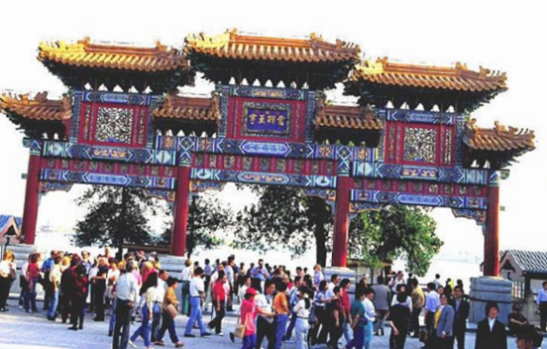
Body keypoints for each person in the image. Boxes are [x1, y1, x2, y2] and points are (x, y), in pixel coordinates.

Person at [112, 261, 139, 349]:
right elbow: (136, 291)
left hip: (120, 301)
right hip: (128, 302)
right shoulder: (133, 279)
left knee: (118, 325)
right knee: (126, 325)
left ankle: (115, 346)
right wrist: (135, 303)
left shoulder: (121, 277)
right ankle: (123, 346)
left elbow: (117, 290)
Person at [129, 272, 157, 349]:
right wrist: (151, 312)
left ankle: (132, 338)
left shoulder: (147, 288)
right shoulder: (152, 289)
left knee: (144, 325)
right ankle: (147, 344)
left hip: (145, 307)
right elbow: (150, 301)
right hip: (148, 307)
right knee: (147, 326)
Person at [155, 277, 184, 348]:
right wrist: (175, 302)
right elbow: (169, 298)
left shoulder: (170, 289)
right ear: (173, 284)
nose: (177, 285)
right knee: (171, 325)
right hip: (167, 309)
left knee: (164, 326)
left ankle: (158, 338)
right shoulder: (170, 290)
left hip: (165, 309)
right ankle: (176, 340)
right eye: (176, 283)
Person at [184, 267, 211, 338]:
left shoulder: (192, 279)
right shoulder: (199, 280)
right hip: (196, 298)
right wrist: (203, 297)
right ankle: (187, 331)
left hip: (193, 297)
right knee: (193, 316)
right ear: (201, 273)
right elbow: (201, 290)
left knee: (199, 316)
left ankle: (203, 331)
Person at [256, 279, 277, 349]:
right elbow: (258, 309)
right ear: (266, 288)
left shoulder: (271, 297)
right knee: (259, 339)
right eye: (271, 287)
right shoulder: (260, 297)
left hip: (270, 320)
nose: (273, 289)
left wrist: (273, 309)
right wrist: (268, 313)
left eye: (274, 287)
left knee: (273, 339)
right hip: (263, 319)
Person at [70, 264, 89, 330]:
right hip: (83, 295)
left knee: (75, 310)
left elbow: (74, 286)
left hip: (76, 295)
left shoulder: (76, 277)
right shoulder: (86, 278)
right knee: (81, 310)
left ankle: (75, 324)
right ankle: (81, 324)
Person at [208, 270, 227, 335]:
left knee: (219, 315)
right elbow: (217, 296)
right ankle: (212, 324)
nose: (225, 280)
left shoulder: (221, 284)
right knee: (221, 314)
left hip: (222, 300)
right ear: (221, 278)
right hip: (219, 301)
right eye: (224, 278)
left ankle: (218, 330)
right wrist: (218, 305)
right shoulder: (218, 285)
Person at [152, 269, 168, 342]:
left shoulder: (163, 283)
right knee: (157, 320)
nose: (167, 276)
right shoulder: (159, 282)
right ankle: (154, 335)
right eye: (165, 274)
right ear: (161, 274)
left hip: (160, 302)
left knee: (157, 320)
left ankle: (154, 335)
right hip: (157, 302)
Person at [274, 281, 290, 349]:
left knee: (277, 331)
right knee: (280, 332)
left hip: (277, 314)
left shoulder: (277, 295)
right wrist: (288, 311)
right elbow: (284, 305)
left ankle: (275, 344)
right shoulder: (282, 295)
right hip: (282, 314)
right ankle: (278, 346)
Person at [423, 282, 440, 348]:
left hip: (430, 313)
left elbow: (427, 307)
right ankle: (433, 343)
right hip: (436, 313)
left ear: (428, 287)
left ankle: (427, 343)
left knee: (428, 328)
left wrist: (425, 316)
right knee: (433, 329)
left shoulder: (429, 295)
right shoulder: (437, 294)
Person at [46, 255, 62, 320]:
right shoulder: (55, 267)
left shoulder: (55, 267)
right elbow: (53, 277)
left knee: (53, 299)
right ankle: (51, 313)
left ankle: (51, 312)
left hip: (54, 283)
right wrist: (55, 286)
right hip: (54, 283)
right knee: (55, 300)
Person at [93, 257, 109, 321]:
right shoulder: (100, 268)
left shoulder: (104, 268)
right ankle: (98, 314)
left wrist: (95, 277)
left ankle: (100, 316)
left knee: (100, 301)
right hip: (98, 285)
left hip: (101, 286)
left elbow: (103, 277)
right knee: (98, 301)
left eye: (101, 261)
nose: (100, 262)